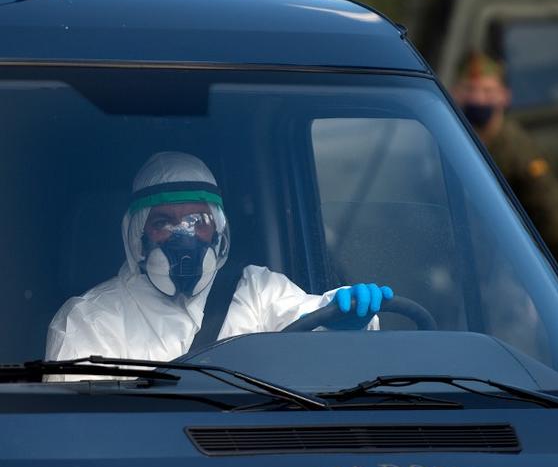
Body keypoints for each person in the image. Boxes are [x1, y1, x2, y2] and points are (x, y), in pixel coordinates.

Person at [45, 151, 393, 367]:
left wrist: (345, 317)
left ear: (219, 231)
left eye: (198, 221)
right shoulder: (91, 320)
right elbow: (84, 433)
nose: (184, 235)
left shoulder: (256, 291)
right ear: (138, 235)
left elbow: (310, 318)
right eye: (163, 222)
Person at [451, 51, 558, 268]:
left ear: (503, 96)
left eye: (488, 91)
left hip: (507, 268)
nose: (479, 99)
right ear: (455, 93)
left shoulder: (518, 149)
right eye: (471, 90)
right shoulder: (448, 138)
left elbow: (554, 226)